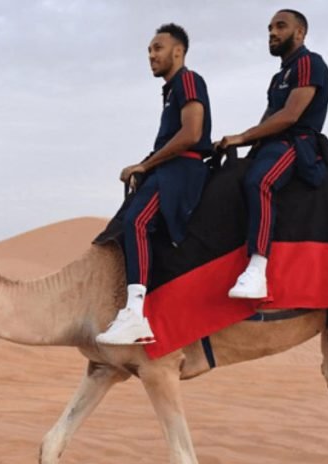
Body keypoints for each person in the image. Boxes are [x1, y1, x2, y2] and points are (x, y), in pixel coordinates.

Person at [96, 23, 213, 345]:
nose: (151, 55)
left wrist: (146, 165)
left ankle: (135, 314)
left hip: (181, 170)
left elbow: (191, 133)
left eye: (157, 48)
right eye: (149, 50)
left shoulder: (188, 80)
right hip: (168, 169)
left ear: (178, 51)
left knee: (137, 221)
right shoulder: (171, 91)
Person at [217, 8, 328, 299]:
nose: (273, 33)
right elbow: (268, 119)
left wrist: (243, 136)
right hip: (271, 144)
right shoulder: (278, 76)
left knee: (260, 181)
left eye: (280, 27)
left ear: (300, 32)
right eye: (269, 28)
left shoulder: (309, 63)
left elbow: (290, 116)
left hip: (296, 143)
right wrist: (241, 145)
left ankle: (257, 268)